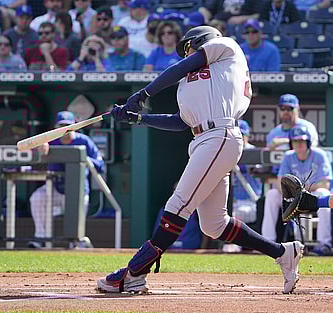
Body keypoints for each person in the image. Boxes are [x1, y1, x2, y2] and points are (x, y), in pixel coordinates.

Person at [96, 25, 304, 295]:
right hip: (204, 140)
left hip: (219, 134)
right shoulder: (193, 84)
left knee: (178, 205)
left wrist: (142, 95)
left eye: (189, 47)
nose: (187, 54)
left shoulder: (225, 47)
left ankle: (135, 273)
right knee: (214, 224)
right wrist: (137, 118)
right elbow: (181, 122)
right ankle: (283, 253)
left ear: (202, 40)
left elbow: (186, 66)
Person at [28, 111, 105, 248]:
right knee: (37, 198)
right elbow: (32, 158)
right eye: (61, 126)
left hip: (78, 191)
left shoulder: (84, 141)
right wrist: (42, 146)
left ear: (75, 126)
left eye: (68, 126)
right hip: (55, 189)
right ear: (56, 127)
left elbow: (100, 166)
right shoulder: (50, 141)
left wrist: (81, 157)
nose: (65, 130)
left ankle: (76, 243)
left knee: (76, 229)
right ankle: (41, 238)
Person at [262, 126, 332, 256]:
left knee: (324, 194)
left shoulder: (319, 155)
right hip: (293, 196)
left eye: (302, 141)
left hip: (312, 194)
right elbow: (279, 181)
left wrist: (303, 191)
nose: (299, 144)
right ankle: (267, 242)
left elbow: (325, 183)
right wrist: (292, 194)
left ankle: (324, 243)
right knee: (272, 194)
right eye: (295, 141)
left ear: (308, 142)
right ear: (291, 143)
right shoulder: (289, 156)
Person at [223, 120, 262, 253]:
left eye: (242, 135)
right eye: (236, 134)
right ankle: (233, 243)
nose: (239, 137)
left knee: (236, 214)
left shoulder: (253, 152)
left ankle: (240, 243)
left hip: (251, 202)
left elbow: (259, 170)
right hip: (232, 202)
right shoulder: (225, 151)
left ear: (247, 136)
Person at [198, 0, 263, 25]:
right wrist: (207, 21)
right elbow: (205, 9)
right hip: (219, 22)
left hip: (242, 26)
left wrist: (242, 18)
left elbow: (258, 14)